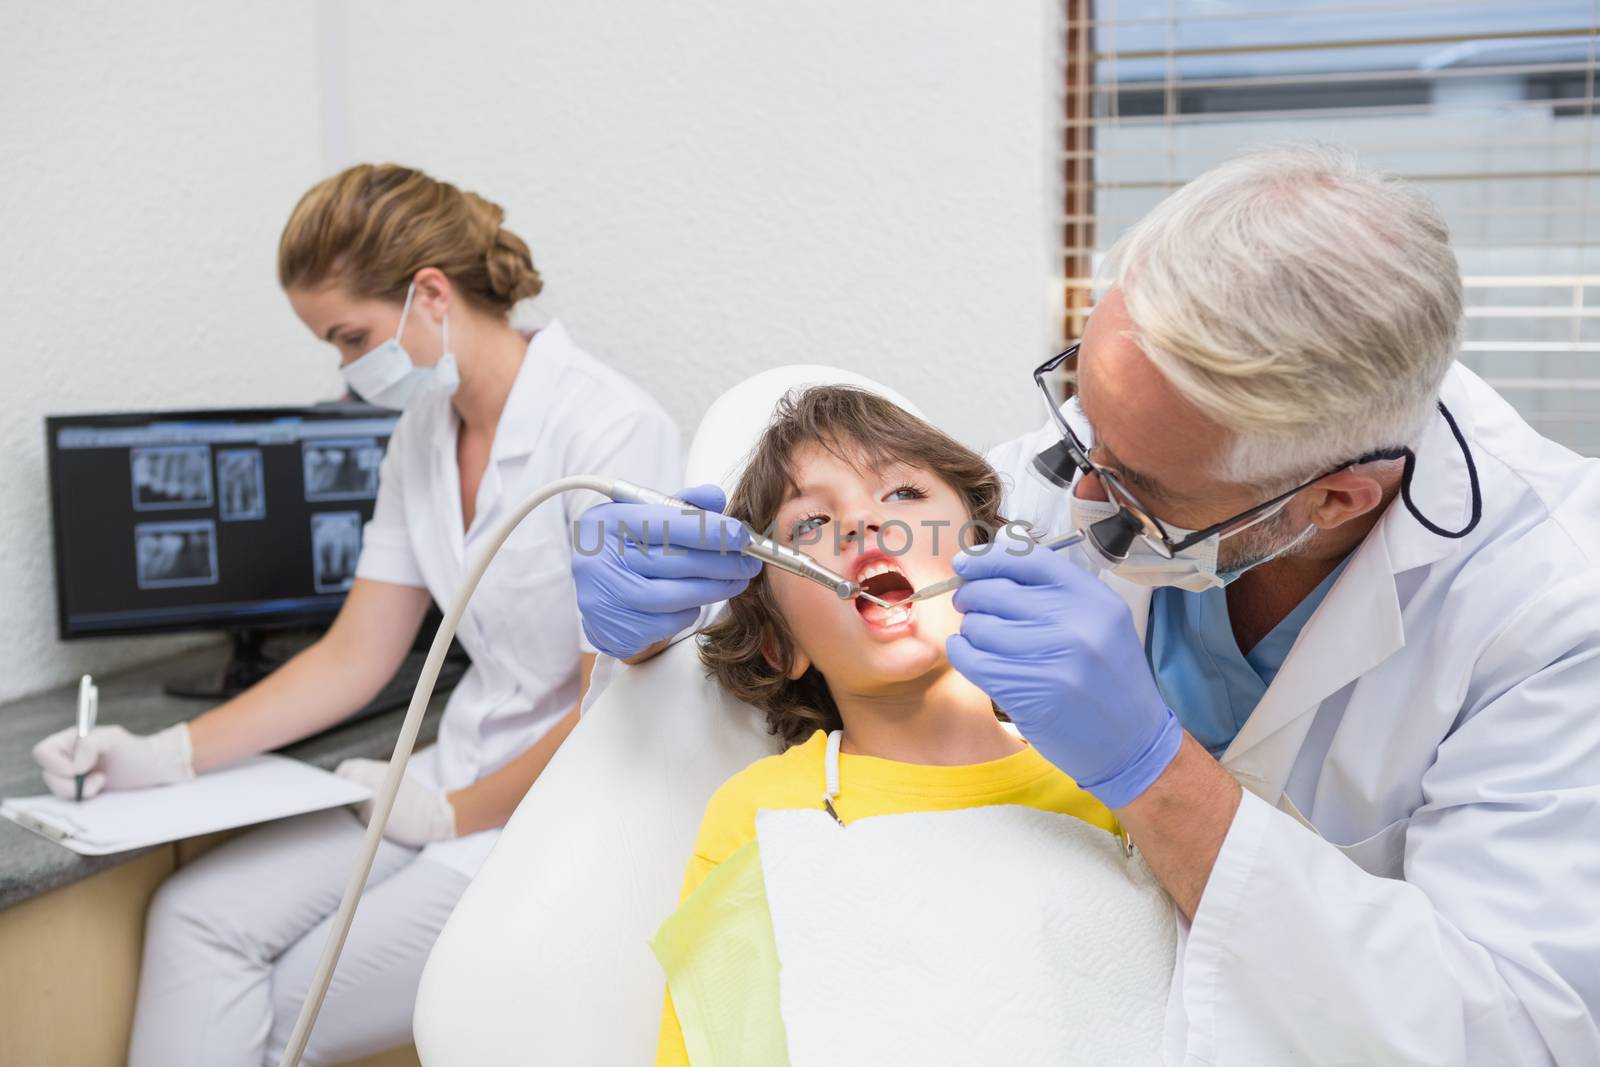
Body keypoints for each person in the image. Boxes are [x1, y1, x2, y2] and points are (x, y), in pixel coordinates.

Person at [572, 145, 1600, 1062]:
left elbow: (1516, 1028)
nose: (1072, 494)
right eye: (1079, 426)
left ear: (1330, 499)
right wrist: (662, 613)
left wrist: (1154, 776)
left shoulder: (1553, 603)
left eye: (1141, 486)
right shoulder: (769, 811)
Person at [31, 163, 682, 1067]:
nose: (345, 369)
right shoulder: (423, 433)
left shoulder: (608, 430)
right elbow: (355, 654)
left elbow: (608, 708)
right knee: (194, 918)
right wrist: (162, 756)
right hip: (443, 775)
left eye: (351, 337)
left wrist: (455, 812)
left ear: (429, 294)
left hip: (543, 814)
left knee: (280, 1006)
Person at [653, 386, 1124, 1064]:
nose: (862, 523)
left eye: (903, 494)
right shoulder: (760, 820)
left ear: (988, 557)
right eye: (810, 522)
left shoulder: (1108, 781)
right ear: (782, 645)